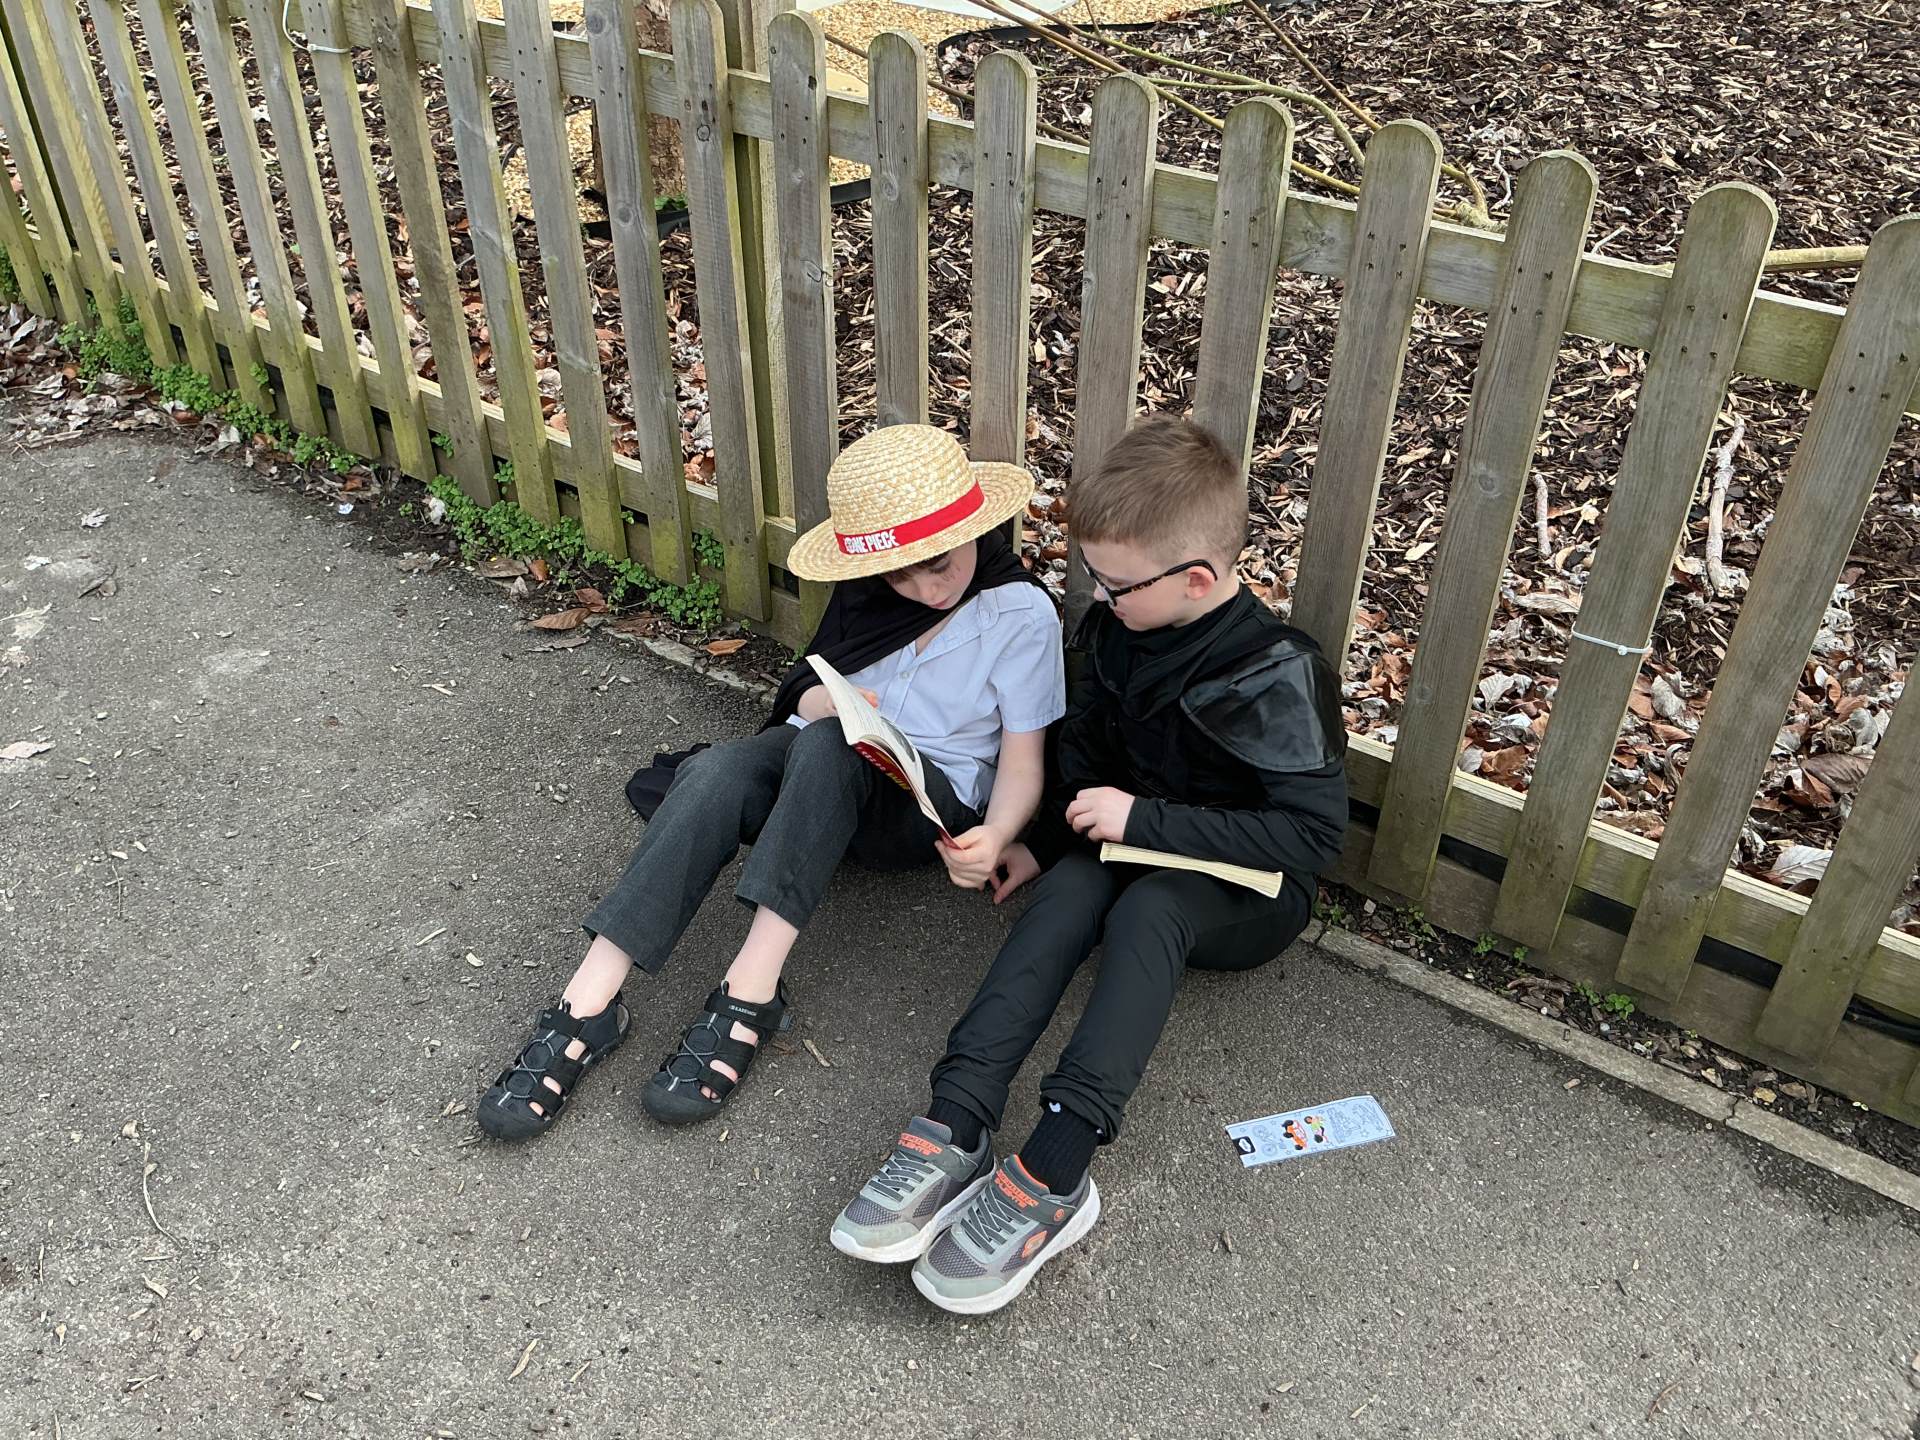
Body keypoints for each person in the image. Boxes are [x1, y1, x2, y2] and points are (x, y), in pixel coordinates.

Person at [830, 415, 1349, 1313]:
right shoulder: (1118, 630)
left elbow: (1309, 839)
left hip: (1245, 889)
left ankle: (1057, 1169)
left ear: (1196, 578)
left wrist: (1144, 819)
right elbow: (1086, 759)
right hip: (1122, 843)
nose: (1099, 598)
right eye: (1096, 579)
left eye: (1115, 584)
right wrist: (1040, 843)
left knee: (1150, 912)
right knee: (1069, 892)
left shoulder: (1277, 672)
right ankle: (958, 1117)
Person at [477, 424, 1064, 1138]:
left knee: (829, 747)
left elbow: (1025, 761)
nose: (922, 589)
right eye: (899, 576)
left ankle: (750, 990)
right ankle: (588, 1000)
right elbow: (807, 690)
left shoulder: (1020, 614)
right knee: (716, 770)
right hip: (819, 767)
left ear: (972, 530)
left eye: (937, 565)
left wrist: (997, 835)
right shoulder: (870, 589)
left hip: (916, 807)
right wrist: (825, 704)